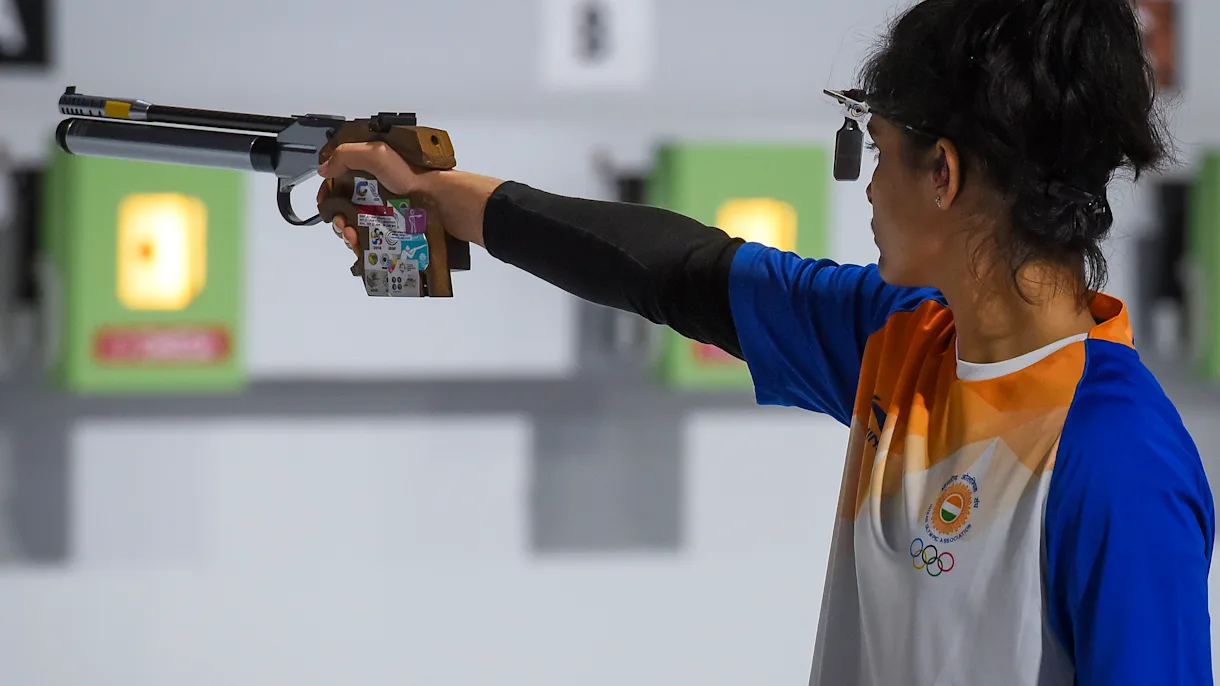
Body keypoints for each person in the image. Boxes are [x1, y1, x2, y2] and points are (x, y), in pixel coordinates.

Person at [318, 0, 1215, 682]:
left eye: (878, 151)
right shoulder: (900, 341)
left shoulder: (1115, 457)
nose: (866, 189)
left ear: (943, 174)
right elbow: (674, 270)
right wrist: (437, 196)